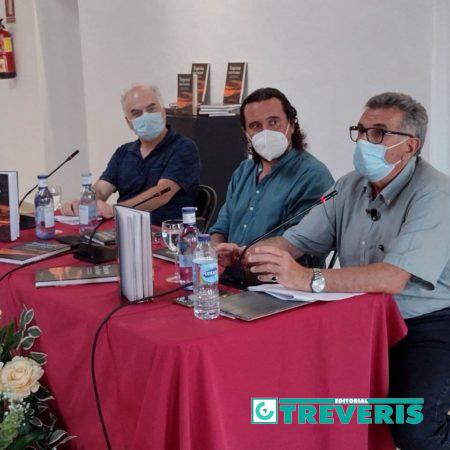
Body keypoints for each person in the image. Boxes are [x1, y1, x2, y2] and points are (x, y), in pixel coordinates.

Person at [219, 92, 450, 450]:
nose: (363, 142)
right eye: (360, 131)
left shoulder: (436, 194)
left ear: (410, 146)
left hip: (429, 321)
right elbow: (296, 240)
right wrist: (257, 254)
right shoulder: (348, 186)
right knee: (310, 399)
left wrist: (308, 279)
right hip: (361, 315)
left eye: (377, 133)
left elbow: (394, 277)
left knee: (414, 426)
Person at [209, 87, 334, 253]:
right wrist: (215, 251)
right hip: (232, 272)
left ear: (292, 124)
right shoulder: (243, 170)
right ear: (246, 133)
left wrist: (243, 256)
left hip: (279, 277)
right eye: (255, 126)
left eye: (273, 122)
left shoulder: (312, 176)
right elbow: (221, 228)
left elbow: (299, 245)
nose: (265, 132)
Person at [62, 84, 200, 225]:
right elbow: (102, 190)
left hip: (165, 235)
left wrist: (117, 210)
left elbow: (162, 193)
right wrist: (85, 202)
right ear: (129, 123)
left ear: (163, 112)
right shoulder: (124, 152)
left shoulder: (183, 148)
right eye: (136, 113)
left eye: (151, 109)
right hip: (123, 231)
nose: (145, 116)